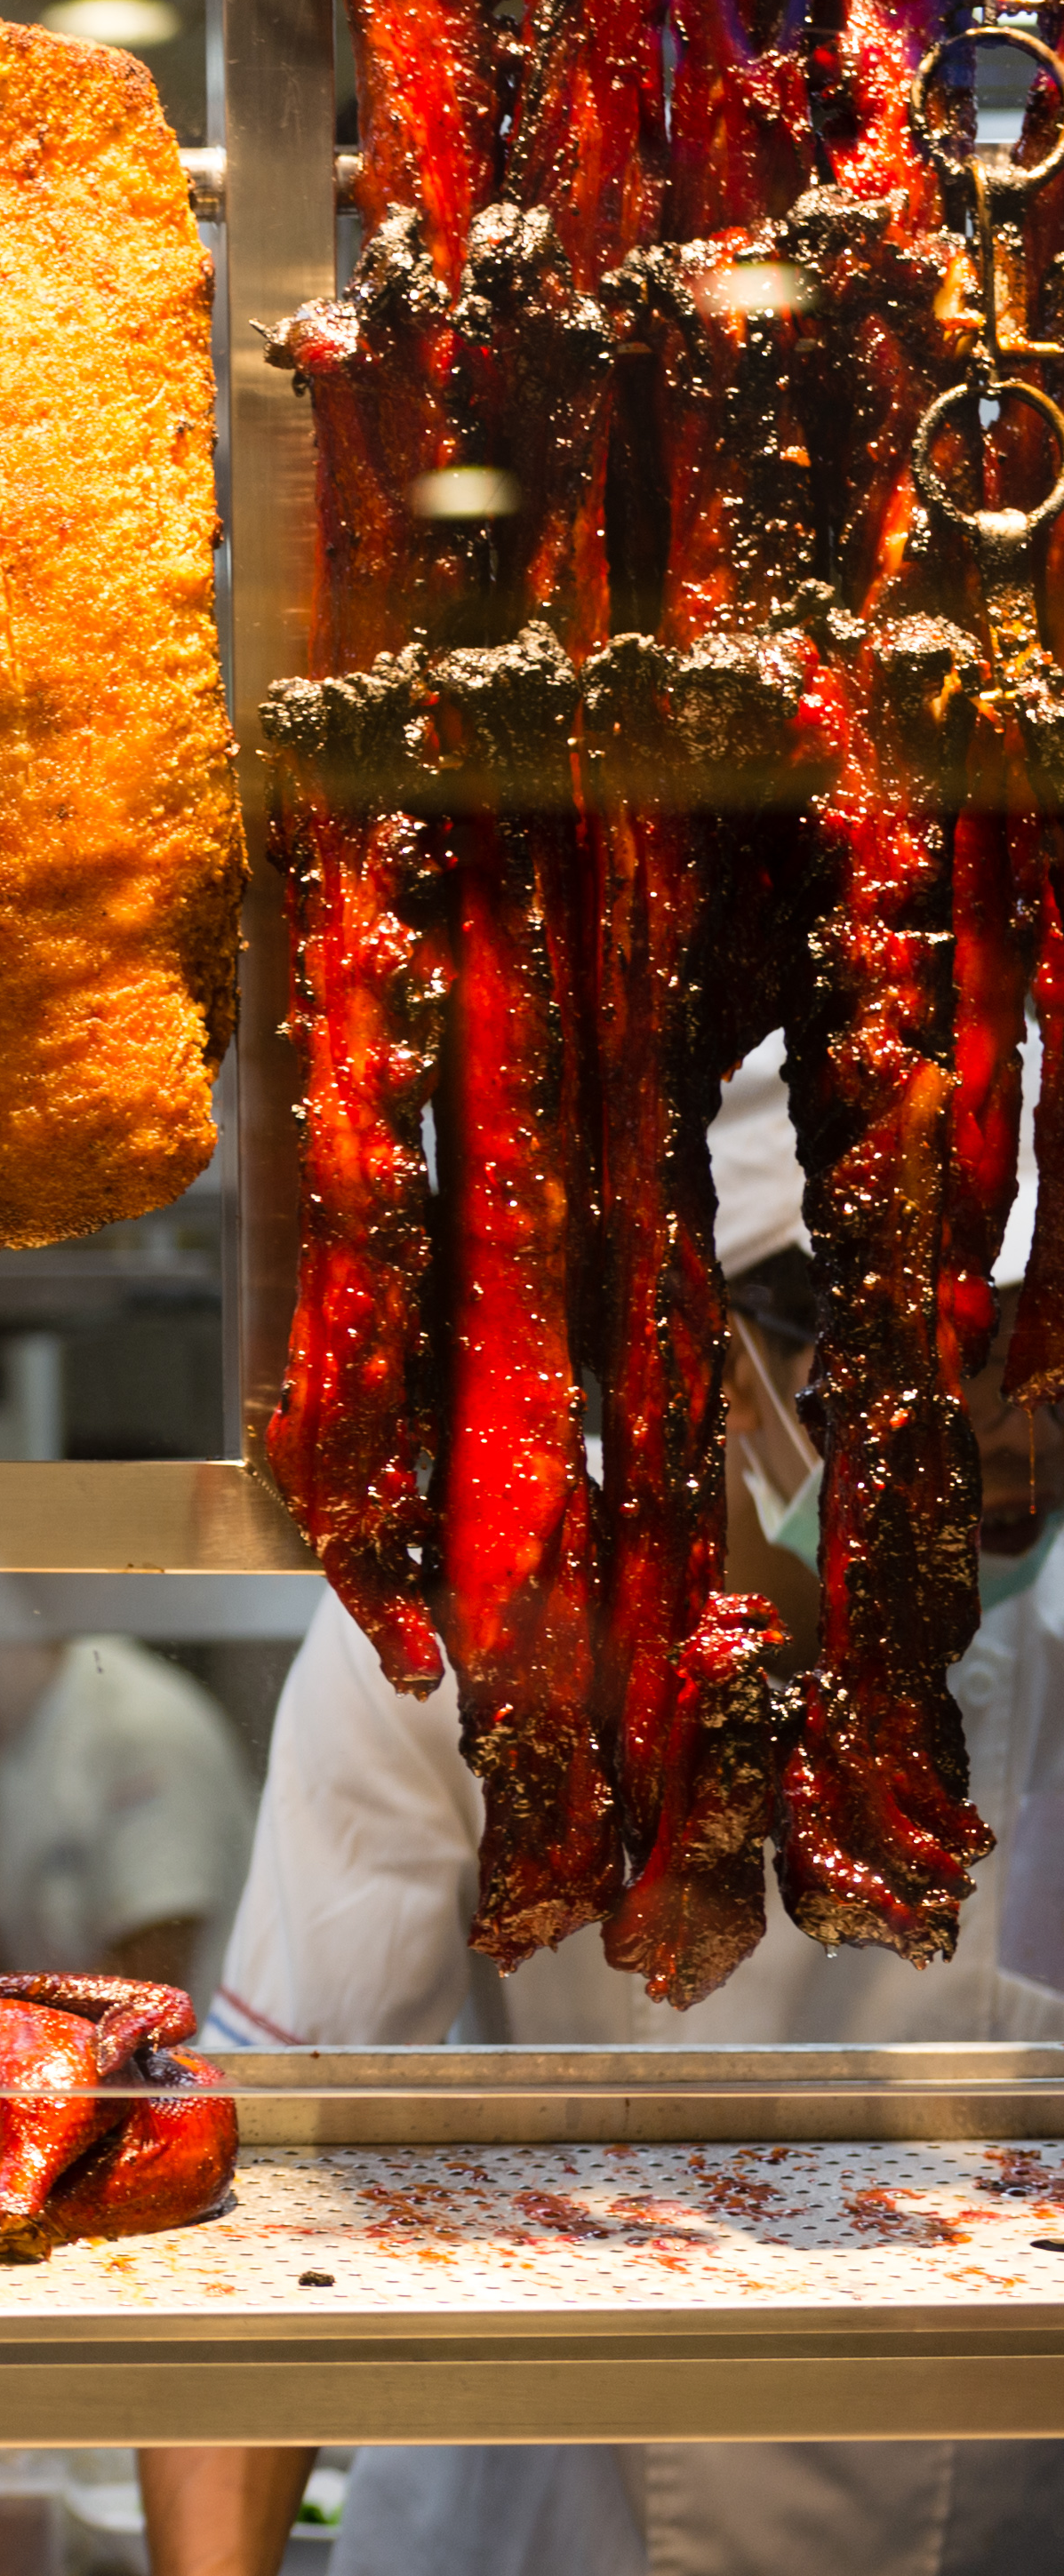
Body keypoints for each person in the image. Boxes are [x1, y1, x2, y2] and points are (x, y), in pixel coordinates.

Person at [140, 1038, 1064, 2576]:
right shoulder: (462, 1628)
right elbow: (257, 2174)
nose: (998, 1433)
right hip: (544, 2539)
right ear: (722, 1340)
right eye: (919, 1354)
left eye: (1029, 1365)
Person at [0, 1634, 256, 1992]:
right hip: (68, 2033)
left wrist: (21, 2036)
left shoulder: (140, 1727)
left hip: (181, 2041)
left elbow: (156, 1965)